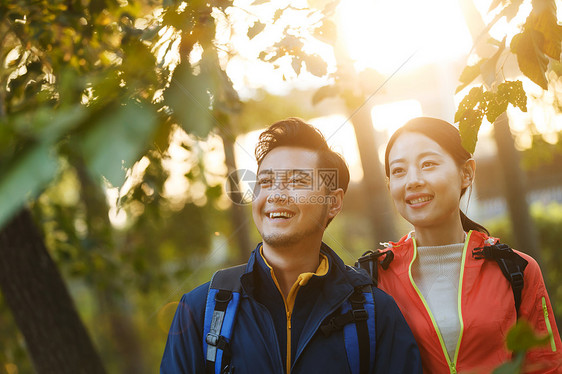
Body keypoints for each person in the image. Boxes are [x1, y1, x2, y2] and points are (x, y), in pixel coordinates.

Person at [160, 117, 421, 373]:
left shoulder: (375, 315)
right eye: (266, 182)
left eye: (297, 181)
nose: (276, 194)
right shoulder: (200, 311)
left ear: (333, 203)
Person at [372, 117, 562, 373]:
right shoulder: (373, 278)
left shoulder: (517, 269)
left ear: (466, 173)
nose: (412, 181)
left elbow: (546, 364)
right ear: (389, 185)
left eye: (428, 164)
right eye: (398, 171)